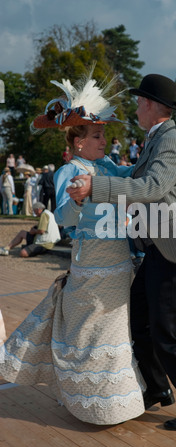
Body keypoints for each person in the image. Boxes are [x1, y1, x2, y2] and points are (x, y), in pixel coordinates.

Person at [67, 73, 176, 431]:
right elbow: (140, 180)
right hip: (160, 248)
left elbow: (151, 187)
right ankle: (157, 389)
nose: (136, 107)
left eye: (140, 101)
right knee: (139, 320)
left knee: (167, 334)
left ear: (152, 105)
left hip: (175, 251)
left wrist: (96, 187)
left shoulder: (170, 142)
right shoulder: (156, 139)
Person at [0, 70, 145, 425]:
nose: (104, 139)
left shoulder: (107, 166)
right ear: (78, 142)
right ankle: (91, 403)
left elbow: (136, 175)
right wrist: (81, 200)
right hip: (92, 267)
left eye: (104, 133)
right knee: (87, 336)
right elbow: (64, 217)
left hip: (118, 264)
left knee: (114, 334)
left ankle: (115, 404)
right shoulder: (72, 170)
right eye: (97, 134)